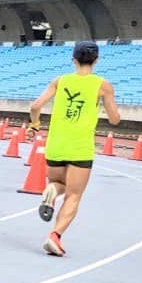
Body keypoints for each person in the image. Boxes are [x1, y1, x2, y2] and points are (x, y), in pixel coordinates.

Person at [28, 41, 120, 257]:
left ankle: (51, 192)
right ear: (96, 60)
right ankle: (55, 236)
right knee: (74, 195)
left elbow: (35, 106)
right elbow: (114, 119)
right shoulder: (102, 85)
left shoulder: (60, 81)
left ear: (73, 60)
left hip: (56, 145)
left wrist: (34, 125)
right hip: (80, 148)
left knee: (58, 183)